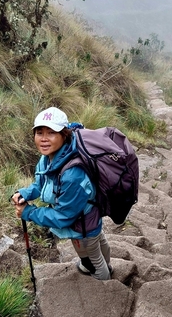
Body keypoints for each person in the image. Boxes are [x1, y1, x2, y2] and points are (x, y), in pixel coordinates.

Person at [11, 106, 112, 280]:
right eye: (39, 132)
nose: (43, 139)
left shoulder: (72, 173)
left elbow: (63, 217)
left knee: (92, 259)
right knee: (98, 245)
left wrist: (28, 212)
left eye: (51, 133)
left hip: (83, 224)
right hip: (88, 214)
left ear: (64, 135)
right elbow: (42, 182)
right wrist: (26, 193)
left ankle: (106, 288)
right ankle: (107, 269)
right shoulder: (49, 157)